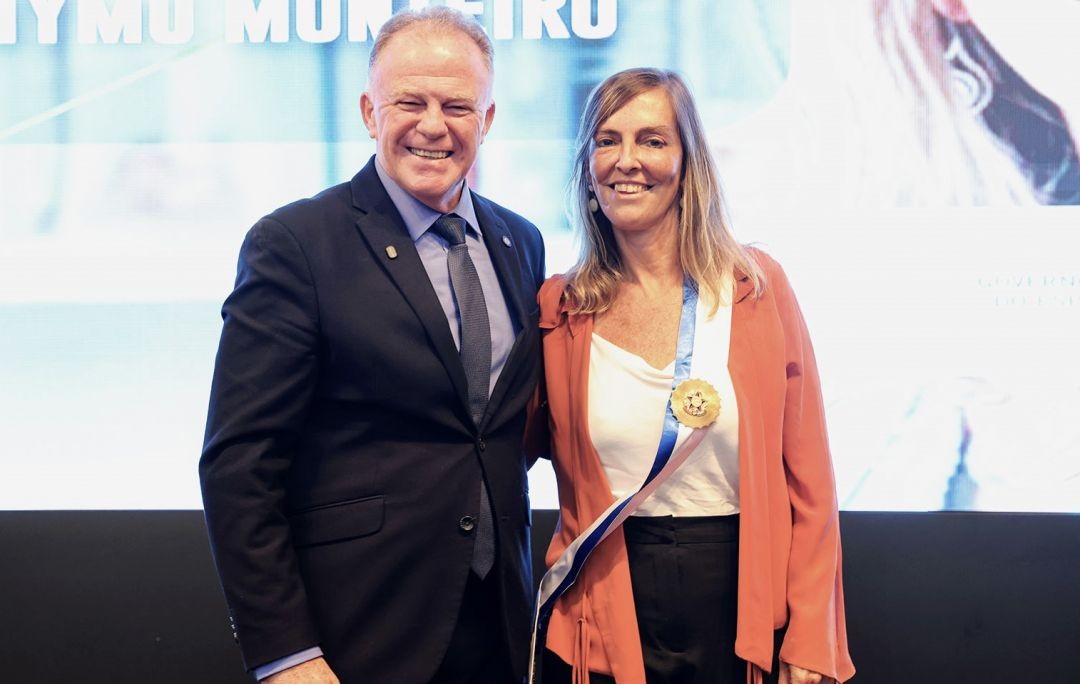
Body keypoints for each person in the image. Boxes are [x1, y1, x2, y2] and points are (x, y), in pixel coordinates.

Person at [199, 7, 545, 683]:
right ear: (368, 111)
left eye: (457, 105)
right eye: (409, 101)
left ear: (489, 119)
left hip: (502, 631)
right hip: (357, 637)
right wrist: (285, 653)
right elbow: (240, 466)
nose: (433, 125)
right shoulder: (296, 244)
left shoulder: (520, 241)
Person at [529, 68, 854, 684]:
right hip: (605, 607)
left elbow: (810, 484)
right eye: (606, 140)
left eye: (652, 140)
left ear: (688, 161)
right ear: (587, 166)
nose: (627, 160)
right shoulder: (561, 309)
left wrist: (812, 635)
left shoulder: (756, 289)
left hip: (739, 607)